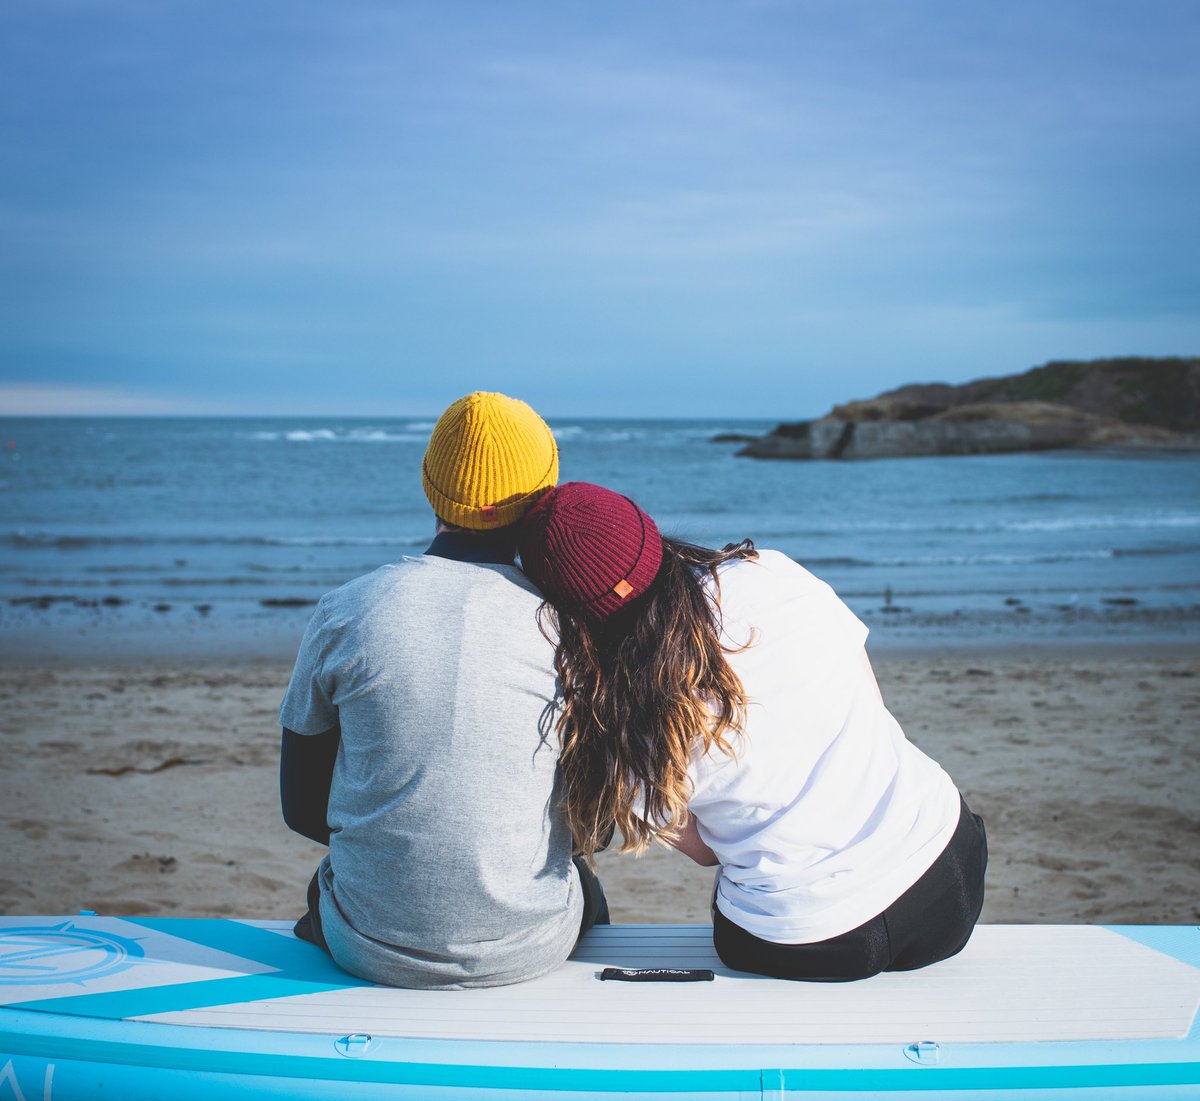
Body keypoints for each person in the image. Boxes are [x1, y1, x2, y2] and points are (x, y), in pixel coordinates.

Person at [517, 481, 986, 983]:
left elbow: (705, 853)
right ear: (646, 530)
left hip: (811, 939)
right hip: (950, 872)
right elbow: (872, 703)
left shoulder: (620, 720)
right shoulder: (771, 573)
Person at [279, 393, 607, 989]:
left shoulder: (346, 611)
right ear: (547, 492)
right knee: (584, 883)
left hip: (368, 944)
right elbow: (596, 827)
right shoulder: (571, 628)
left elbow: (301, 811)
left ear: (431, 488)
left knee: (329, 882)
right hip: (531, 951)